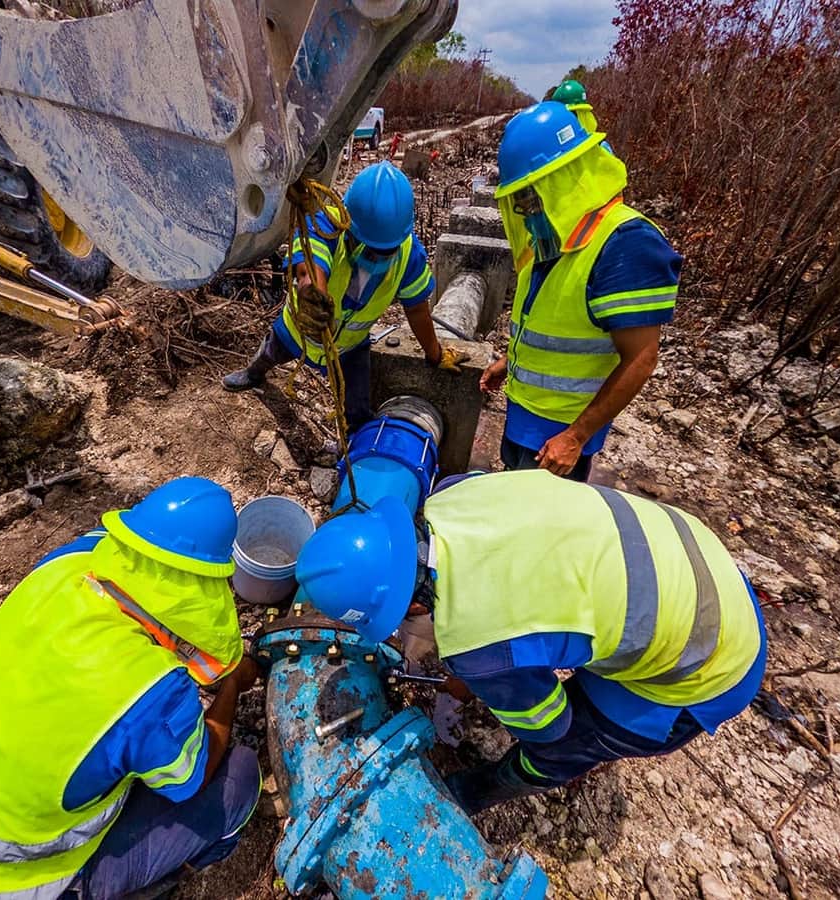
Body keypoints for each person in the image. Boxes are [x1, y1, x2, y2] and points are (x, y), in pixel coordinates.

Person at [0, 477, 262, 899]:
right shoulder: (148, 688)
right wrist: (230, 687)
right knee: (237, 780)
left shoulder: (64, 567)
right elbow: (192, 777)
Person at [295, 469, 767, 815]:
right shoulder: (454, 494)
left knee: (560, 748)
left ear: (412, 606)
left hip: (714, 659)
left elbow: (549, 725)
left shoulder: (479, 645)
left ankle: (476, 792)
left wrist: (488, 684)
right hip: (697, 555)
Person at [480, 103, 681, 481]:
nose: (525, 212)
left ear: (561, 181)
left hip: (558, 434)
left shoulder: (625, 244)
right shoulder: (557, 237)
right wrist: (511, 363)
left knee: (538, 529)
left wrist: (576, 435)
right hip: (526, 414)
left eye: (529, 199)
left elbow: (641, 357)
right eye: (518, 202)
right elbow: (554, 318)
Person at [222, 160, 468, 431]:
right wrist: (311, 295)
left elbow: (418, 310)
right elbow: (310, 269)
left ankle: (354, 440)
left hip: (349, 347)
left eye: (384, 251)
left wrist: (435, 354)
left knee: (358, 404)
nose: (375, 257)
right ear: (349, 225)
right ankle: (253, 373)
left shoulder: (410, 256)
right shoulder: (324, 224)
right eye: (368, 248)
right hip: (297, 331)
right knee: (269, 353)